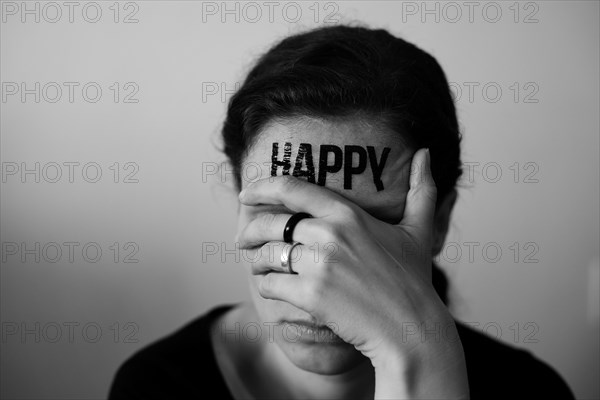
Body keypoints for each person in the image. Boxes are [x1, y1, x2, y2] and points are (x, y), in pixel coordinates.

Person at [109, 25, 574, 399]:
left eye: (369, 225)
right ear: (239, 202)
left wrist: (419, 362)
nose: (322, 272)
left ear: (440, 223)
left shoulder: (530, 391)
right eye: (284, 218)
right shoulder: (157, 385)